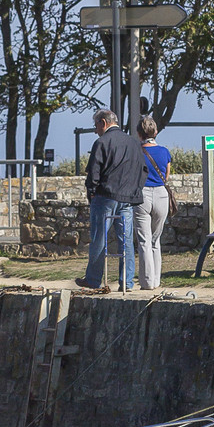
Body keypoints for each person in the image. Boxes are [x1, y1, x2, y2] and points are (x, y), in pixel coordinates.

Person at [77, 107, 142, 292]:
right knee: (126, 241)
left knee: (99, 238)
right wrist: (134, 191)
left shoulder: (101, 142)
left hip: (105, 196)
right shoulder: (133, 143)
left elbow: (94, 172)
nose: (95, 130)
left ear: (103, 122)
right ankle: (126, 282)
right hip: (127, 197)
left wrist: (92, 191)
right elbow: (142, 169)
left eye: (96, 125)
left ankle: (93, 279)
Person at [135, 114, 172, 290]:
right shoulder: (164, 152)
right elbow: (166, 176)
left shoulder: (136, 152)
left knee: (144, 241)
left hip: (142, 194)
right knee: (156, 240)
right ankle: (157, 280)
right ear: (155, 132)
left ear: (139, 133)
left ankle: (147, 282)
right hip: (161, 194)